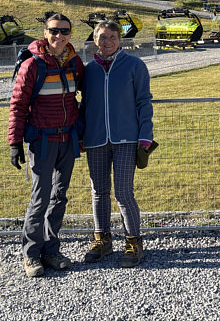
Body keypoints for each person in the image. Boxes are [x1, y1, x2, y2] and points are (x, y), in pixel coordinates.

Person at [8, 13, 85, 278]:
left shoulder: (75, 63)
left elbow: (85, 97)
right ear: (45, 32)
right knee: (40, 199)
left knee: (59, 197)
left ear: (70, 35)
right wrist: (15, 142)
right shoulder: (33, 65)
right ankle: (31, 254)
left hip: (67, 140)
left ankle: (52, 250)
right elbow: (18, 105)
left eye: (64, 31)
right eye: (54, 31)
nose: (58, 36)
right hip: (42, 142)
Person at [79, 20, 154, 267]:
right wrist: (81, 135)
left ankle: (133, 241)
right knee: (99, 192)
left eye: (112, 36)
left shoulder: (134, 65)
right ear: (95, 39)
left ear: (120, 40)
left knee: (123, 192)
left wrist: (146, 134)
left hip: (127, 139)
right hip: (96, 139)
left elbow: (144, 101)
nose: (107, 41)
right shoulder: (88, 70)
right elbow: (83, 105)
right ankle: (102, 239)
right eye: (102, 37)